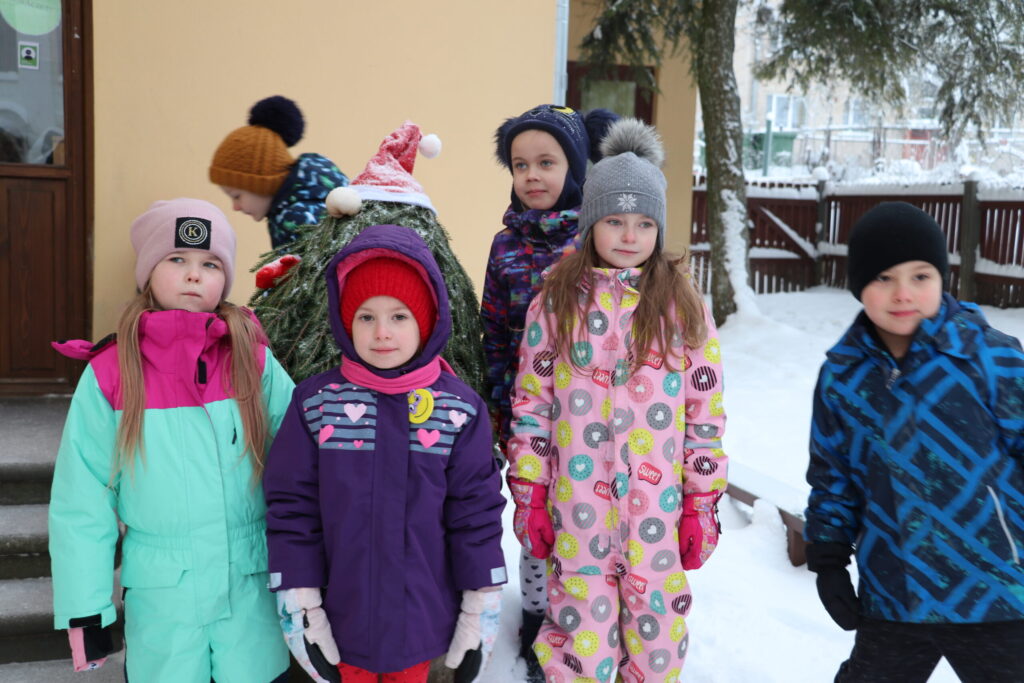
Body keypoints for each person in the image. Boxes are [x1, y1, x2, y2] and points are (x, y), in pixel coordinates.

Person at [506, 118, 728, 683]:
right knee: (579, 638)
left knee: (657, 639)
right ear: (590, 223)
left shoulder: (682, 305)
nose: (630, 236)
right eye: (614, 221)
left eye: (644, 223)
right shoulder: (555, 301)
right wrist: (531, 491)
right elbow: (532, 404)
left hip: (657, 512)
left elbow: (705, 413)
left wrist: (701, 502)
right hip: (578, 508)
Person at [48, 198, 295, 681]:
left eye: (210, 264)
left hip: (250, 593)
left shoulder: (253, 362)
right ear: (148, 272)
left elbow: (300, 469)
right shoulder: (112, 373)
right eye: (177, 259)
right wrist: (86, 609)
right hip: (165, 601)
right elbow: (82, 499)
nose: (193, 275)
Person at [263, 223, 507, 683]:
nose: (381, 333)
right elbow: (292, 506)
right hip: (339, 618)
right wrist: (301, 599)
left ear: (426, 320)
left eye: (399, 316)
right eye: (365, 316)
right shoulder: (317, 404)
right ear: (345, 321)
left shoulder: (458, 410)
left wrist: (481, 601)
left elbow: (475, 513)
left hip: (420, 620)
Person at [804, 201, 1024, 683]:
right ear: (858, 285)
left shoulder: (992, 360)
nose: (903, 293)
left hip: (996, 595)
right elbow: (832, 477)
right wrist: (828, 558)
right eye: (884, 278)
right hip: (895, 594)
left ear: (942, 278)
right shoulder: (842, 378)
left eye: (920, 276)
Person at [481, 103, 617, 677]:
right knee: (534, 512)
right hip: (526, 410)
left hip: (591, 413)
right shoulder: (505, 245)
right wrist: (496, 404)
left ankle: (589, 612)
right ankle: (538, 615)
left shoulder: (595, 240)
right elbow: (492, 329)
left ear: (575, 168)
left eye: (546, 162)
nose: (531, 175)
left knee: (586, 514)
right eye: (520, 165)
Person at [209, 95, 348, 250]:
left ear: (262, 184)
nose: (235, 207)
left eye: (236, 196)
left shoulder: (297, 219)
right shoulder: (297, 206)